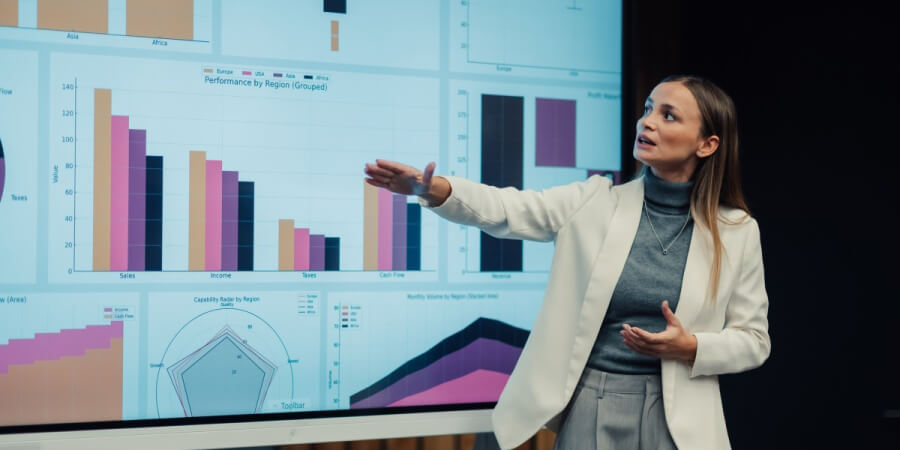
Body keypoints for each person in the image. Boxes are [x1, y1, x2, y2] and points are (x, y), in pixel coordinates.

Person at [364, 75, 770, 450]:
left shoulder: (737, 231)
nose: (647, 122)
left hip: (681, 417)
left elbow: (754, 341)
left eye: (668, 115)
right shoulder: (594, 201)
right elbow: (506, 208)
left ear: (707, 145)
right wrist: (432, 189)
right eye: (648, 108)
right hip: (592, 401)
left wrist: (692, 347)